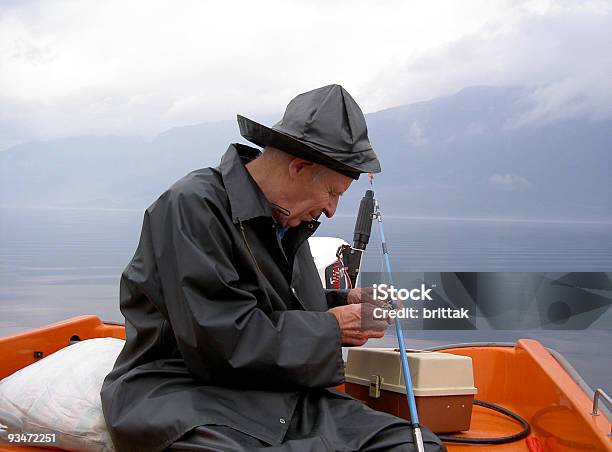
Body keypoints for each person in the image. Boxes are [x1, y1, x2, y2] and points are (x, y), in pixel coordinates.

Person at [101, 84, 444, 451]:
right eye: (334, 193)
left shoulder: (289, 220)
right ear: (299, 167)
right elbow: (219, 342)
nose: (331, 211)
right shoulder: (192, 206)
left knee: (415, 445)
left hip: (278, 394)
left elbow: (270, 306)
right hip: (182, 395)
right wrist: (333, 327)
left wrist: (342, 301)